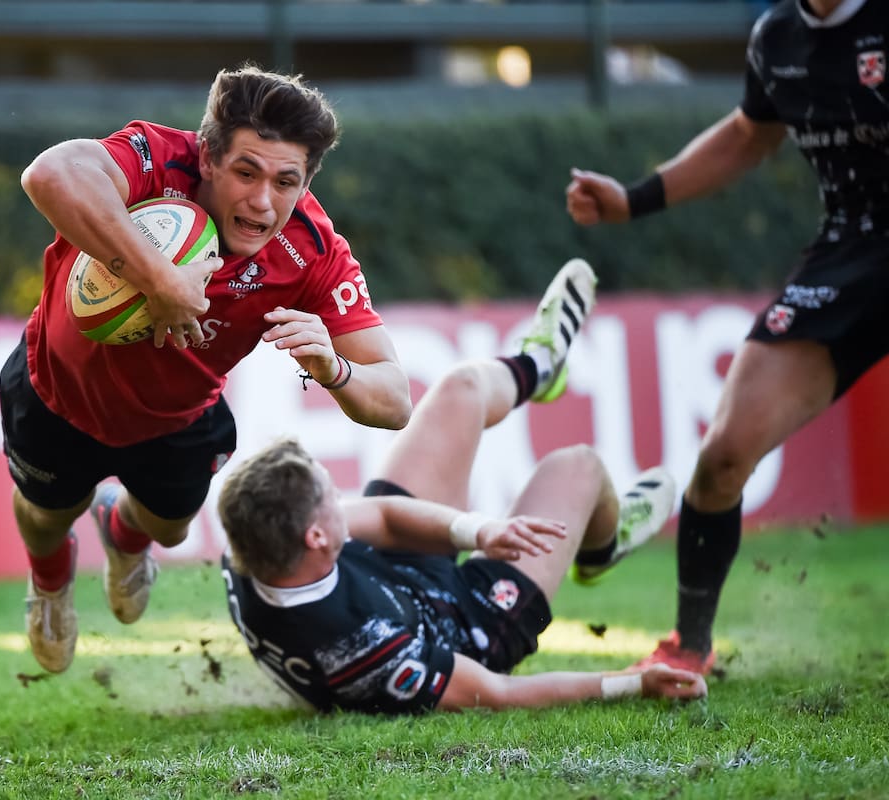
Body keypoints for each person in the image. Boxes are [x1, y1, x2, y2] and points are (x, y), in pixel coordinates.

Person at [0, 65, 416, 674]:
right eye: (246, 172)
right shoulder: (159, 161)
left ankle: (122, 532)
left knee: (168, 531)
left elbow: (396, 399)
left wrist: (334, 369)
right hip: (55, 391)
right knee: (45, 517)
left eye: (285, 182)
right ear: (209, 158)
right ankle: (50, 580)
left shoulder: (311, 250)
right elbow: (49, 175)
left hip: (175, 419)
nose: (262, 201)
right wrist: (158, 278)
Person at [218, 260, 709, 714]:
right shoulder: (366, 650)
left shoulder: (253, 541)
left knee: (461, 391)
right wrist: (632, 683)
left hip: (393, 574)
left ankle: (538, 365)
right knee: (577, 466)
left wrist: (477, 532)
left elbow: (385, 517)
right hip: (468, 626)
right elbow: (498, 692)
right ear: (316, 537)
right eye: (329, 497)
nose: (340, 498)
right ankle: (602, 546)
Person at [564, 0, 888, 674]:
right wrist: (636, 197)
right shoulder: (776, 37)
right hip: (851, 252)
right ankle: (691, 647)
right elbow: (747, 135)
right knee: (722, 459)